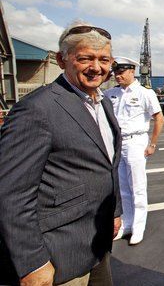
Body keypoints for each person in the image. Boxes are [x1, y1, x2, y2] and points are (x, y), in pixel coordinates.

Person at [0, 22, 122, 286]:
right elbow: (10, 193)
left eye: (104, 59)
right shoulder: (36, 110)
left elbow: (108, 165)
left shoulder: (104, 103)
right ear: (61, 60)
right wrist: (32, 262)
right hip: (57, 255)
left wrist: (115, 211)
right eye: (85, 58)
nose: (96, 67)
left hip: (97, 245)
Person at [105, 56, 164, 246]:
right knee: (122, 187)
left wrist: (152, 144)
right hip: (118, 143)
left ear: (132, 71)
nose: (117, 76)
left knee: (137, 187)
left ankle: (139, 227)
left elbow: (158, 118)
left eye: (121, 72)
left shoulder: (144, 93)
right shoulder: (111, 93)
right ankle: (127, 224)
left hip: (136, 140)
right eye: (115, 73)